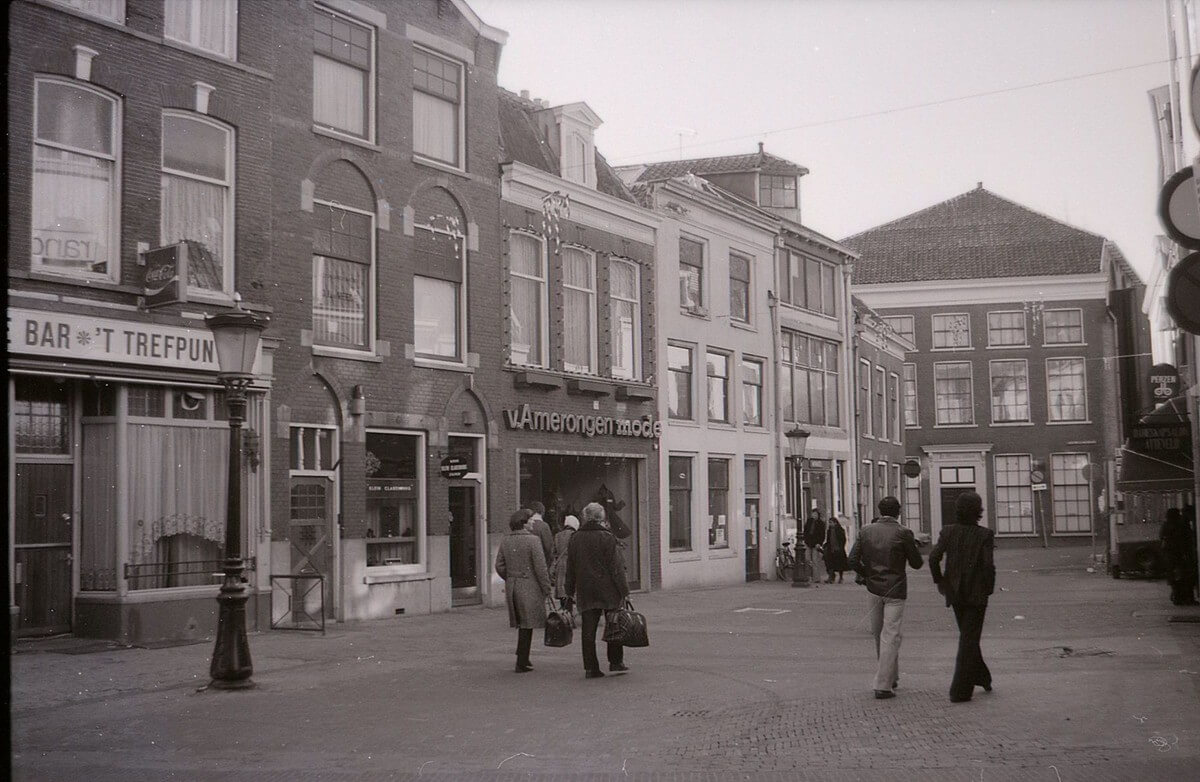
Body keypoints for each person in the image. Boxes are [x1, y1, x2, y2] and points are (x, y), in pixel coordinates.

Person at [847, 496, 923, 700]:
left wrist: (867, 573)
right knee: (891, 634)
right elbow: (916, 563)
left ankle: (891, 675)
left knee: (879, 633)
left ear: (880, 511)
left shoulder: (866, 530)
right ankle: (882, 685)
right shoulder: (903, 532)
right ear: (898, 512)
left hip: (873, 588)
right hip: (895, 589)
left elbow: (852, 559)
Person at [929, 491, 996, 703]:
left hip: (955, 592)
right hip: (977, 594)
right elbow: (988, 566)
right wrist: (988, 588)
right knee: (969, 638)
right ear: (978, 511)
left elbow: (933, 558)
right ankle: (960, 690)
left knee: (968, 636)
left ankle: (983, 677)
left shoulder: (948, 531)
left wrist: (939, 581)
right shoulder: (985, 534)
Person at [564, 501, 630, 678]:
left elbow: (570, 568)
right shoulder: (607, 537)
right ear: (601, 517)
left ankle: (591, 667)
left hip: (585, 589)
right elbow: (616, 568)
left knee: (588, 629)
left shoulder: (575, 538)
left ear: (585, 517)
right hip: (608, 589)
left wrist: (568, 591)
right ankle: (615, 662)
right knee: (614, 625)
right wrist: (624, 591)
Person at [494, 509, 552, 673]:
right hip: (530, 585)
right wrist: (546, 588)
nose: (533, 523)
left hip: (513, 585)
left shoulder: (506, 540)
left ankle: (523, 657)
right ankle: (522, 660)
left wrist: (510, 577)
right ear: (524, 523)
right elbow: (540, 568)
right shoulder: (533, 541)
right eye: (530, 520)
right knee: (528, 623)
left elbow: (499, 565)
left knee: (522, 623)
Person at [1161, 508, 1199, 606]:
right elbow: (1186, 539)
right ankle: (1188, 598)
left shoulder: (1165, 525)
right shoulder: (1181, 525)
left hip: (1169, 556)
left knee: (1175, 578)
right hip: (1181, 555)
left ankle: (1177, 597)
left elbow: (1162, 538)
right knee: (1187, 577)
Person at [552, 514, 580, 607]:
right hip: (572, 564)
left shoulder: (557, 536)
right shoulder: (575, 535)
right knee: (571, 590)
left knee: (562, 593)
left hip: (560, 565)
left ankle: (564, 615)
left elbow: (554, 551)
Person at [525, 501, 555, 568]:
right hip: (540, 562)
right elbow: (549, 547)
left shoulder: (525, 524)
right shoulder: (544, 526)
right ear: (542, 512)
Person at [823, 514, 849, 583]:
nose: (830, 524)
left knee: (840, 564)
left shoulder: (840, 530)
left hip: (838, 549)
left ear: (835, 523)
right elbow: (828, 540)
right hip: (831, 549)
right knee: (830, 564)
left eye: (831, 522)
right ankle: (831, 577)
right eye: (829, 522)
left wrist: (841, 547)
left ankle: (840, 577)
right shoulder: (829, 531)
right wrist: (826, 546)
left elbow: (843, 539)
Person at [802, 508, 827, 580]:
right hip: (808, 543)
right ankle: (808, 576)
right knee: (807, 560)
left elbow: (822, 535)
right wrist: (805, 540)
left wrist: (819, 543)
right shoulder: (809, 521)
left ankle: (816, 578)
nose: (814, 515)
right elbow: (806, 531)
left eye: (815, 514)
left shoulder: (821, 523)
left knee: (815, 560)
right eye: (813, 514)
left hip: (816, 544)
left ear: (818, 515)